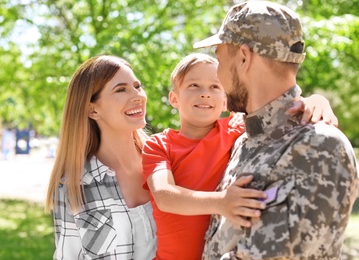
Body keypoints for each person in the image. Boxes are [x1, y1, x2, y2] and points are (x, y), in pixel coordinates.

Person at [192, 1, 359, 259]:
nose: (218, 74)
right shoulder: (246, 140)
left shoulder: (319, 147)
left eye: (219, 59)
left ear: (244, 58)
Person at [142, 53, 342, 259]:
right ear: (174, 98)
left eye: (215, 87)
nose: (205, 94)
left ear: (225, 101)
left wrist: (315, 100)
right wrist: (221, 202)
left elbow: (276, 109)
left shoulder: (236, 127)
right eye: (194, 85)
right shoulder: (159, 144)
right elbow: (164, 196)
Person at [45, 55, 157, 260]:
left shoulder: (165, 163)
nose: (138, 96)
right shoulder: (74, 185)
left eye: (137, 86)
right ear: (92, 109)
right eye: (121, 89)